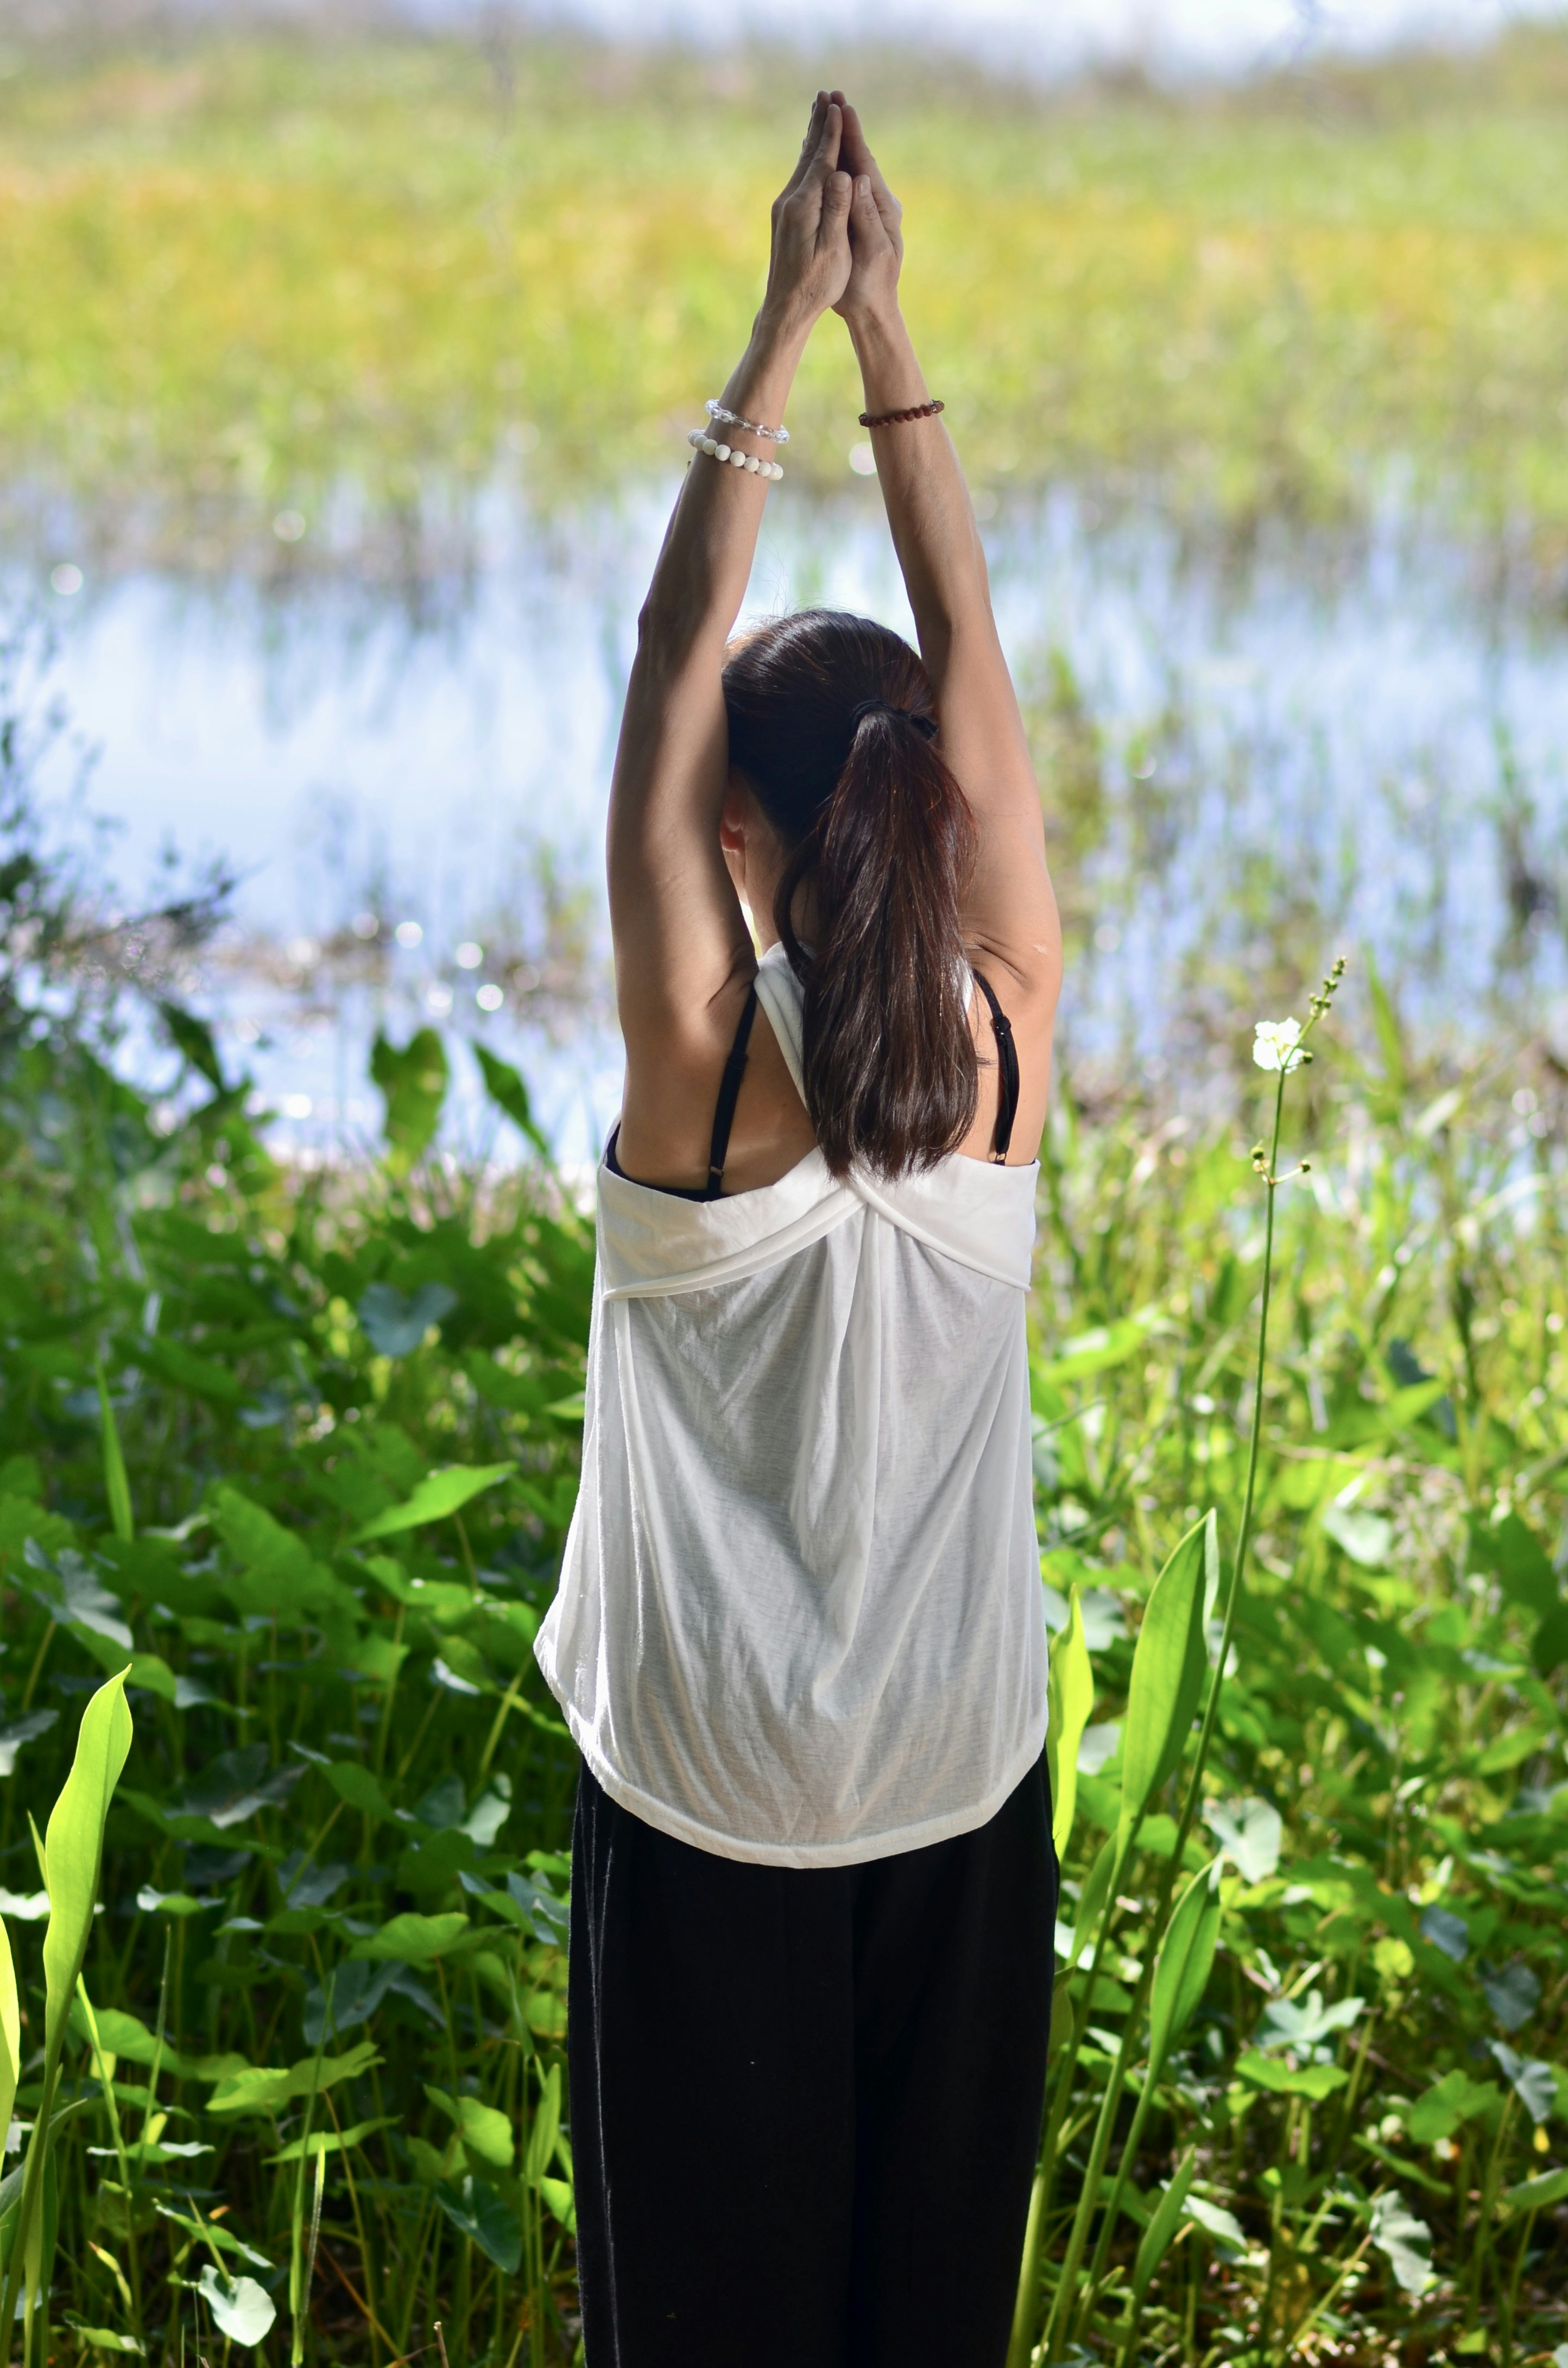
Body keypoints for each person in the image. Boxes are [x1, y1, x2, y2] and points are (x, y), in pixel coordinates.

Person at [535, 89, 1064, 2368]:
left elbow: (671, 654)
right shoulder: (1006, 1046)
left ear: (733, 842)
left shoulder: (701, 1078)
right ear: (927, 807)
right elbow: (955, 623)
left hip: (712, 1808)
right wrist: (886, 338)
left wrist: (775, 326)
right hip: (955, 1795)